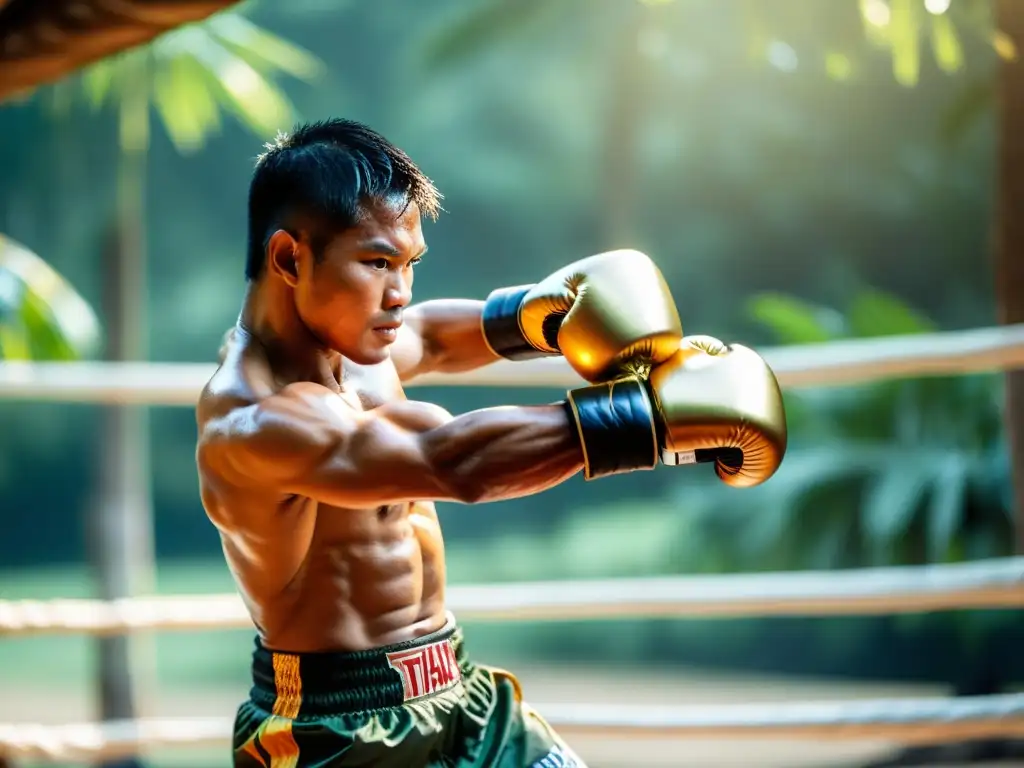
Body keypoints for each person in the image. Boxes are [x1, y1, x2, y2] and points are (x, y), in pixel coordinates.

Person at [195, 118, 787, 768]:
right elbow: (449, 462)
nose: (399, 294)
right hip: (336, 734)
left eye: (409, 264)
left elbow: (437, 335)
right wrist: (646, 421)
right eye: (377, 263)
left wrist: (537, 313)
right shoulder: (253, 419)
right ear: (288, 258)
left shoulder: (355, 339)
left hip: (463, 694)